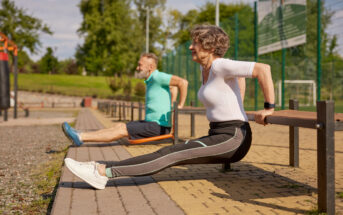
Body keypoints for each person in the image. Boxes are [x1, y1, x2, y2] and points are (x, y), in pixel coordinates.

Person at [64, 24, 275, 190]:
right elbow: (240, 80)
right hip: (220, 134)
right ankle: (102, 168)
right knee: (171, 152)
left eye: (196, 43)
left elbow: (263, 69)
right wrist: (238, 103)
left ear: (210, 47)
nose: (191, 47)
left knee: (171, 154)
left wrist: (268, 107)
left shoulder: (219, 64)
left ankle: (102, 172)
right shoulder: (208, 69)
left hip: (233, 137)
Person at [62, 53, 188, 146]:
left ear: (150, 67)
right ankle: (80, 133)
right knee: (120, 125)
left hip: (158, 127)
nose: (137, 68)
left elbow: (183, 83)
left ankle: (81, 137)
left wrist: (180, 105)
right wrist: (172, 102)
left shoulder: (158, 77)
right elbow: (173, 87)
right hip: (150, 123)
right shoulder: (151, 81)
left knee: (122, 130)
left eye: (140, 65)